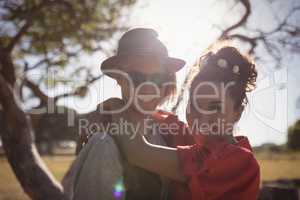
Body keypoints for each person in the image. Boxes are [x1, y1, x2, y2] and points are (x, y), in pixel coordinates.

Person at [111, 45, 260, 200]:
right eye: (195, 105)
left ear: (238, 113)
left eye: (215, 107)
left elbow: (137, 151)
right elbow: (163, 119)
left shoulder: (239, 161)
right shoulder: (196, 143)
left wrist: (117, 108)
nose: (201, 118)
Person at [62, 28, 186, 200]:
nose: (148, 88)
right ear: (119, 78)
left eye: (157, 78)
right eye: (137, 77)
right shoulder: (104, 143)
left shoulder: (170, 133)